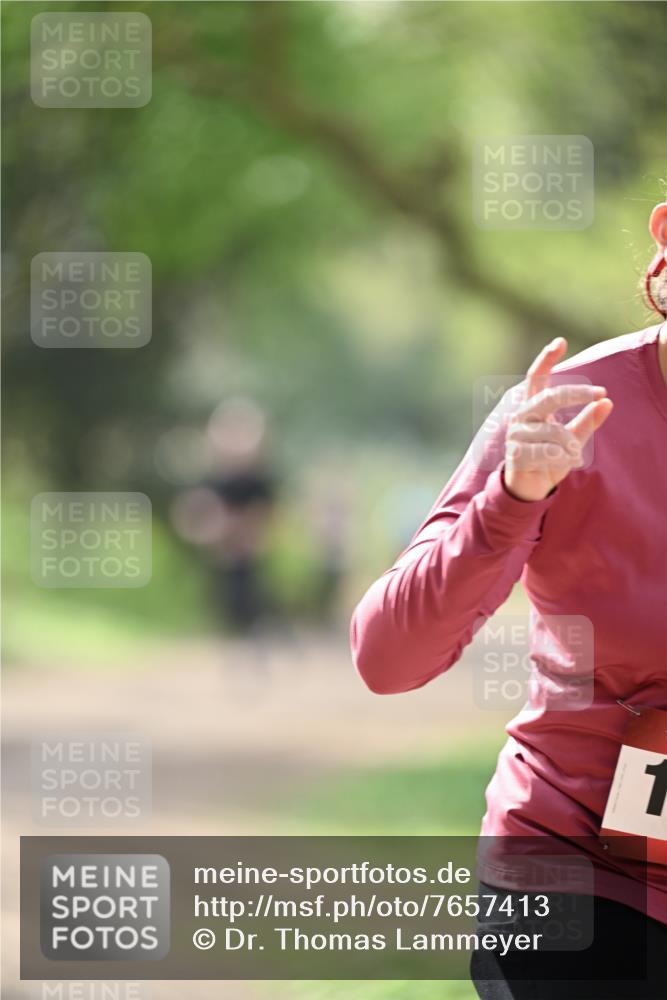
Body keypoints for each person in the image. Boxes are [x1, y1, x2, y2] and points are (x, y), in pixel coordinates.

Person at [350, 201, 667, 998]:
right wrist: (513, 497)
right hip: (581, 879)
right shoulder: (568, 410)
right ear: (664, 234)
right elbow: (387, 656)